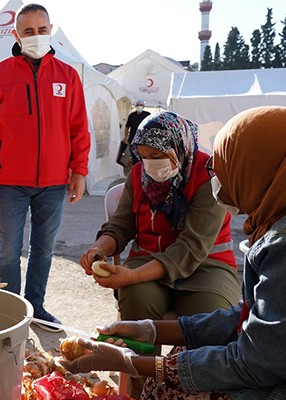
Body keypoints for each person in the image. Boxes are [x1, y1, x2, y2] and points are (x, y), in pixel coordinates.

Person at [61, 106, 286, 399]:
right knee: (139, 300)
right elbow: (258, 316)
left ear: (259, 169)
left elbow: (254, 361)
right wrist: (152, 329)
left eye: (228, 166)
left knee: (172, 384)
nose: (220, 178)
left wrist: (139, 364)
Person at [0, 3, 90, 331]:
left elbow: (79, 128)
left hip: (53, 183)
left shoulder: (67, 76)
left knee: (44, 249)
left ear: (50, 30)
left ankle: (35, 306)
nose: (36, 36)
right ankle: (11, 311)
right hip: (9, 182)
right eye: (28, 31)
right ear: (16, 35)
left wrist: (78, 170)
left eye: (42, 30)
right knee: (8, 251)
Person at [80, 111, 240, 322]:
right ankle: (140, 357)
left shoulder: (209, 175)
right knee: (137, 302)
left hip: (206, 267)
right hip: (146, 259)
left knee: (210, 318)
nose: (149, 165)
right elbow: (120, 226)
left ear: (179, 147)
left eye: (156, 156)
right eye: (143, 157)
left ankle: (188, 357)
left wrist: (133, 276)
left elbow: (192, 246)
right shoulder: (138, 175)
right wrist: (98, 248)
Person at [124, 99, 150, 167]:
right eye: (138, 105)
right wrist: (126, 138)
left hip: (144, 140)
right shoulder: (131, 115)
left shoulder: (147, 115)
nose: (139, 106)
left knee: (143, 157)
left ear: (143, 106)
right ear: (135, 106)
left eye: (141, 105)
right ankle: (135, 172)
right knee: (134, 158)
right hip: (133, 139)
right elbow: (127, 127)